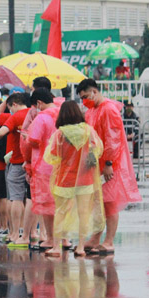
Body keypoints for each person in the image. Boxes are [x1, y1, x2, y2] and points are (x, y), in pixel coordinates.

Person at [77, 79, 141, 254]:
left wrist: (108, 164)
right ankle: (96, 238)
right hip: (97, 163)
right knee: (98, 202)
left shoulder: (109, 110)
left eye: (85, 96)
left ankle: (109, 241)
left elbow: (113, 139)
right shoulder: (92, 111)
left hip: (110, 164)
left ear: (94, 92)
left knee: (109, 202)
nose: (84, 101)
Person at [44, 101, 105, 257]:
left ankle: (56, 247)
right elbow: (98, 149)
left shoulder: (60, 134)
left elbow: (53, 156)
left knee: (61, 212)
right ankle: (81, 248)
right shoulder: (88, 131)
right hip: (86, 180)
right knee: (84, 213)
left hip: (65, 180)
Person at [0, 92, 31, 245]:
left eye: (10, 107)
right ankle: (32, 232)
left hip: (16, 161)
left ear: (14, 104)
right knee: (31, 199)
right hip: (32, 163)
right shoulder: (35, 114)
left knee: (15, 198)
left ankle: (14, 233)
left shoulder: (15, 117)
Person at [24, 88, 60, 250]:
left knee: (47, 204)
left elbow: (33, 141)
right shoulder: (64, 114)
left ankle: (50, 239)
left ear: (39, 103)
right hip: (63, 165)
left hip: (44, 166)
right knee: (62, 204)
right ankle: (64, 240)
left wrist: (26, 138)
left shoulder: (42, 118)